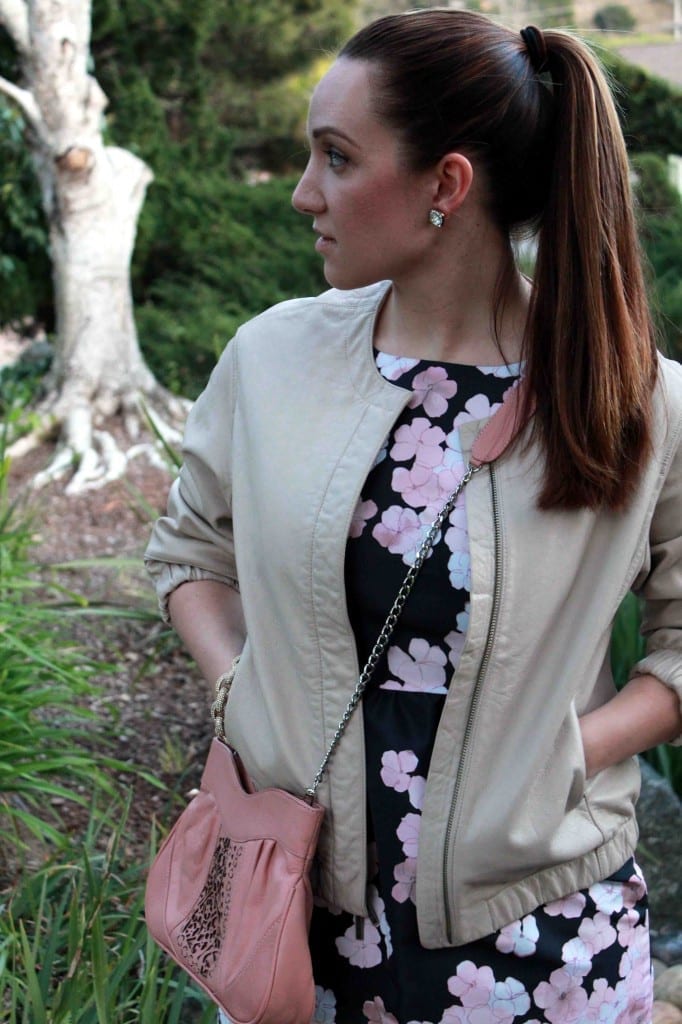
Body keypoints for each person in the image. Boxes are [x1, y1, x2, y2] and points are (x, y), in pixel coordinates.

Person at [145, 9, 682, 1023]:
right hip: (297, 916)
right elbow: (190, 549)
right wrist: (236, 688)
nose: (305, 192)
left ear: (446, 185)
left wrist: (571, 752)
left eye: (338, 157)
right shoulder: (272, 359)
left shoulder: (631, 395)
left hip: (543, 941)